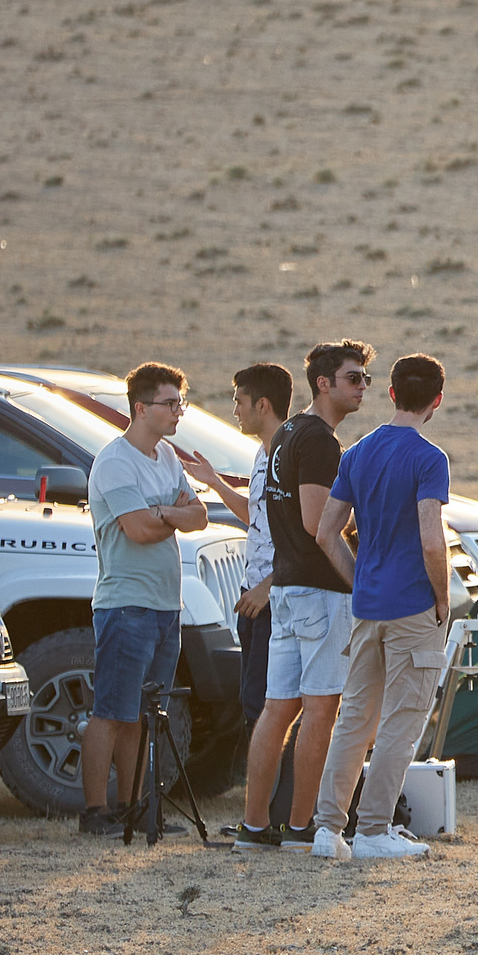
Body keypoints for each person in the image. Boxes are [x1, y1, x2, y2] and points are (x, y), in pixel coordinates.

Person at [309, 354, 453, 860]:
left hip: (367, 607)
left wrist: (359, 583)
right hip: (412, 607)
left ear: (390, 392)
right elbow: (432, 541)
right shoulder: (430, 458)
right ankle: (372, 830)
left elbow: (326, 532)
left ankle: (328, 830)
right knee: (401, 719)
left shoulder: (358, 453)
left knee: (355, 719)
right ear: (436, 400)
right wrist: (442, 597)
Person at [76, 362, 210, 837]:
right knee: (111, 710)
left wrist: (164, 512)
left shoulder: (167, 458)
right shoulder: (114, 462)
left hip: (164, 606)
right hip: (125, 604)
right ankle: (95, 813)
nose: (178, 412)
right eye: (169, 404)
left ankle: (132, 806)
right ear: (140, 408)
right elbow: (136, 529)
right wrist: (170, 515)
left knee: (141, 714)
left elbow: (199, 517)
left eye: (180, 403)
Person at [247, 341, 372, 847]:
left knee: (278, 707)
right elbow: (318, 523)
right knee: (321, 709)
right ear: (324, 383)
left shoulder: (286, 433)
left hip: (288, 590)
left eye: (365, 378)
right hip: (319, 593)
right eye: (352, 377)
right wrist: (360, 582)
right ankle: (300, 828)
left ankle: (254, 827)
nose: (362, 386)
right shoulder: (319, 439)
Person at [202, 363, 290, 849]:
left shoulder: (287, 455)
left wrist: (269, 587)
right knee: (254, 707)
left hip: (272, 600)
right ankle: (260, 817)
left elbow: (306, 537)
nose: (233, 408)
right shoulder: (261, 453)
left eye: (238, 399)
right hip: (254, 598)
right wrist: (214, 484)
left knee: (268, 710)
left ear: (262, 404)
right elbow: (258, 518)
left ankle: (267, 820)